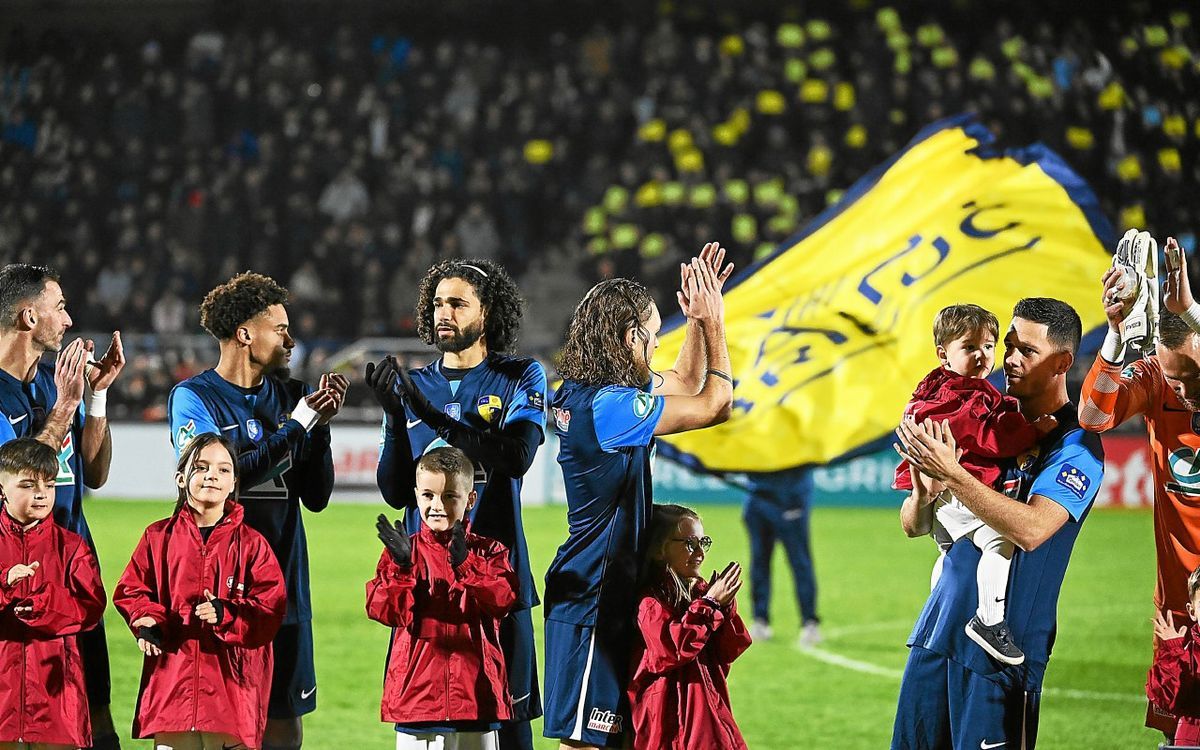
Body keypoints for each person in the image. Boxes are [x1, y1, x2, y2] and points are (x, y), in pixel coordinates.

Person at [543, 243, 735, 750]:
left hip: (608, 590)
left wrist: (693, 320)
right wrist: (715, 324)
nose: (655, 346)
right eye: (652, 335)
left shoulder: (593, 390)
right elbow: (714, 403)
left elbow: (686, 380)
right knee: (584, 743)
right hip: (593, 595)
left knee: (616, 738)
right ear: (630, 337)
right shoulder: (611, 407)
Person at [892, 298, 1104, 749]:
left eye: (1026, 351)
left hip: (1001, 653)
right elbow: (913, 526)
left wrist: (954, 474)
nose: (1007, 359)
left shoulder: (1074, 444)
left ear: (1062, 362)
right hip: (936, 632)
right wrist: (923, 492)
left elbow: (1031, 530)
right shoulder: (982, 414)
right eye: (1008, 345)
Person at [369, 258, 545, 750]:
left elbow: (516, 458)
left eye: (457, 303)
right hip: (428, 588)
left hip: (495, 582)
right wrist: (395, 417)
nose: (443, 312)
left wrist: (434, 419)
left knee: (509, 729)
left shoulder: (519, 376)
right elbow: (394, 490)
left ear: (486, 313)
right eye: (438, 302)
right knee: (428, 729)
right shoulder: (415, 386)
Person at [167, 272, 346, 750]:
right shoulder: (193, 398)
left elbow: (317, 497)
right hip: (219, 594)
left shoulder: (292, 396)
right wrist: (298, 425)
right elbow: (223, 478)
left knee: (284, 724)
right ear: (245, 334)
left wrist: (319, 427)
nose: (291, 340)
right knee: (222, 725)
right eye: (280, 328)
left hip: (284, 589)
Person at [1078, 233, 1200, 738]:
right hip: (1179, 600)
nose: (1187, 392)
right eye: (1177, 383)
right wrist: (1115, 338)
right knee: (1180, 732)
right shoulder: (1154, 377)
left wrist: (1187, 307)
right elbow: (1092, 415)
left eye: (1195, 378)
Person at [0, 263, 124, 749]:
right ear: (29, 317)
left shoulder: (59, 382)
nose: (69, 320)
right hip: (18, 583)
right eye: (61, 307)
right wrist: (64, 408)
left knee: (97, 720)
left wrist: (96, 398)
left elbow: (94, 474)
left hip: (72, 576)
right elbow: (14, 478)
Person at [892, 303, 1055, 666]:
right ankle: (989, 621)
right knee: (1000, 540)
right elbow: (985, 435)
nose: (983, 355)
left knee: (948, 558)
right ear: (943, 354)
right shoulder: (958, 396)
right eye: (970, 347)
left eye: (989, 346)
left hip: (945, 505)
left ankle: (937, 618)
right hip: (958, 500)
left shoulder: (940, 390)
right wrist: (1032, 431)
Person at [113, 432, 287, 750]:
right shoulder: (157, 537)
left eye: (223, 469)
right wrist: (148, 622)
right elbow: (132, 591)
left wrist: (227, 613)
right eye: (202, 467)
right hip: (172, 689)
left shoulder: (252, 544)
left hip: (233, 693)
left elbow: (271, 608)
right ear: (181, 478)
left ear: (234, 481)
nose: (212, 476)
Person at [367, 447, 519, 750]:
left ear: (470, 500)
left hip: (477, 698)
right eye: (428, 495)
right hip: (418, 700)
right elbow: (384, 612)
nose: (437, 505)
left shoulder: (490, 552)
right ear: (416, 495)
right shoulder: (404, 552)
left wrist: (466, 565)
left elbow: (503, 600)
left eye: (450, 496)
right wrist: (401, 568)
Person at [0, 438, 106, 750]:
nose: (41, 493)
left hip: (56, 697)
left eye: (49, 483)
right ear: (1, 489)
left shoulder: (71, 547)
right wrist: (4, 585)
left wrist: (46, 604)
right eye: (28, 484)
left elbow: (91, 607)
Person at [628, 503, 751, 750]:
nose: (700, 552)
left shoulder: (698, 595)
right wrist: (710, 605)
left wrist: (723, 609)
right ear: (659, 551)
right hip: (669, 725)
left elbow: (730, 650)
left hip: (706, 717)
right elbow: (670, 651)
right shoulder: (650, 602)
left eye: (702, 542)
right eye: (689, 543)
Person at [741, 468, 821, 648]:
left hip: (791, 496)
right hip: (757, 495)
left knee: (800, 562)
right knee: (759, 562)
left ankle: (810, 622)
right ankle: (760, 620)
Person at [1147, 563, 1200, 747]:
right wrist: (1172, 654)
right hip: (1191, 740)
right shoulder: (1185, 653)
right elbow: (1164, 698)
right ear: (1192, 611)